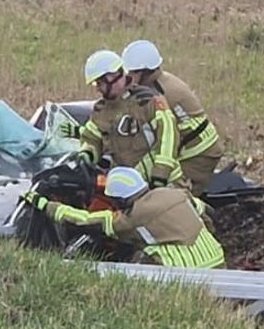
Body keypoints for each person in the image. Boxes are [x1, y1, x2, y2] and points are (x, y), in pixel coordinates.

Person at [21, 166, 225, 268]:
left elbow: (83, 219)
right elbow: (206, 212)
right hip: (217, 261)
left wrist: (44, 204)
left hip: (186, 272)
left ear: (121, 200)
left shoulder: (132, 218)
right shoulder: (175, 194)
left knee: (138, 257)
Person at [121, 39, 225, 196]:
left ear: (145, 72)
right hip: (189, 146)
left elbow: (167, 136)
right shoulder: (157, 82)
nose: (128, 78)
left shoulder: (160, 93)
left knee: (176, 196)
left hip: (198, 153)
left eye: (132, 73)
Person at [77, 49, 184, 189]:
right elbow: (92, 138)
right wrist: (88, 153)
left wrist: (160, 174)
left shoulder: (147, 100)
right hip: (129, 187)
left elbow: (168, 137)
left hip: (166, 182)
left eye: (99, 83)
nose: (98, 89)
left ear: (113, 78)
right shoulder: (101, 111)